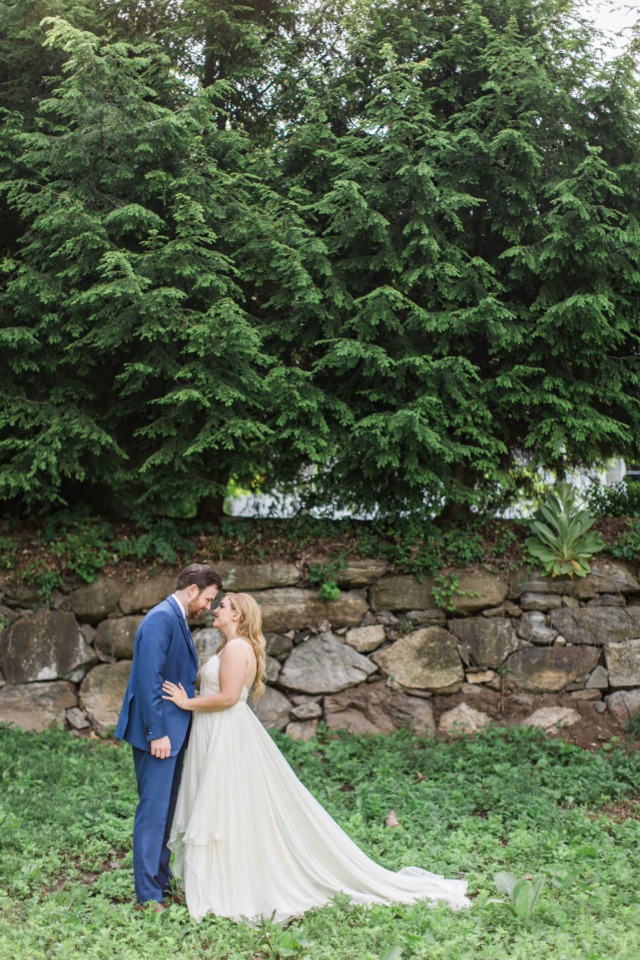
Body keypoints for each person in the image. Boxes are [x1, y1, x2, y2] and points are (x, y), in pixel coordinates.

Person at [162, 592, 471, 923]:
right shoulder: (231, 647)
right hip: (218, 731)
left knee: (225, 805)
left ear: (237, 616)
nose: (215, 609)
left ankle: (230, 884)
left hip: (226, 732)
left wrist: (186, 702)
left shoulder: (237, 649)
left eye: (222, 606)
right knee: (229, 805)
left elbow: (225, 698)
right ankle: (221, 878)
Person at [115, 562, 223, 910]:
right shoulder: (162, 618)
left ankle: (159, 880)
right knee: (153, 811)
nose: (207, 607)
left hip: (172, 734)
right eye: (207, 599)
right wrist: (156, 734)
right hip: (159, 735)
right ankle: (148, 896)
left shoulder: (174, 617)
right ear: (192, 590)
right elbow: (149, 679)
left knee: (166, 810)